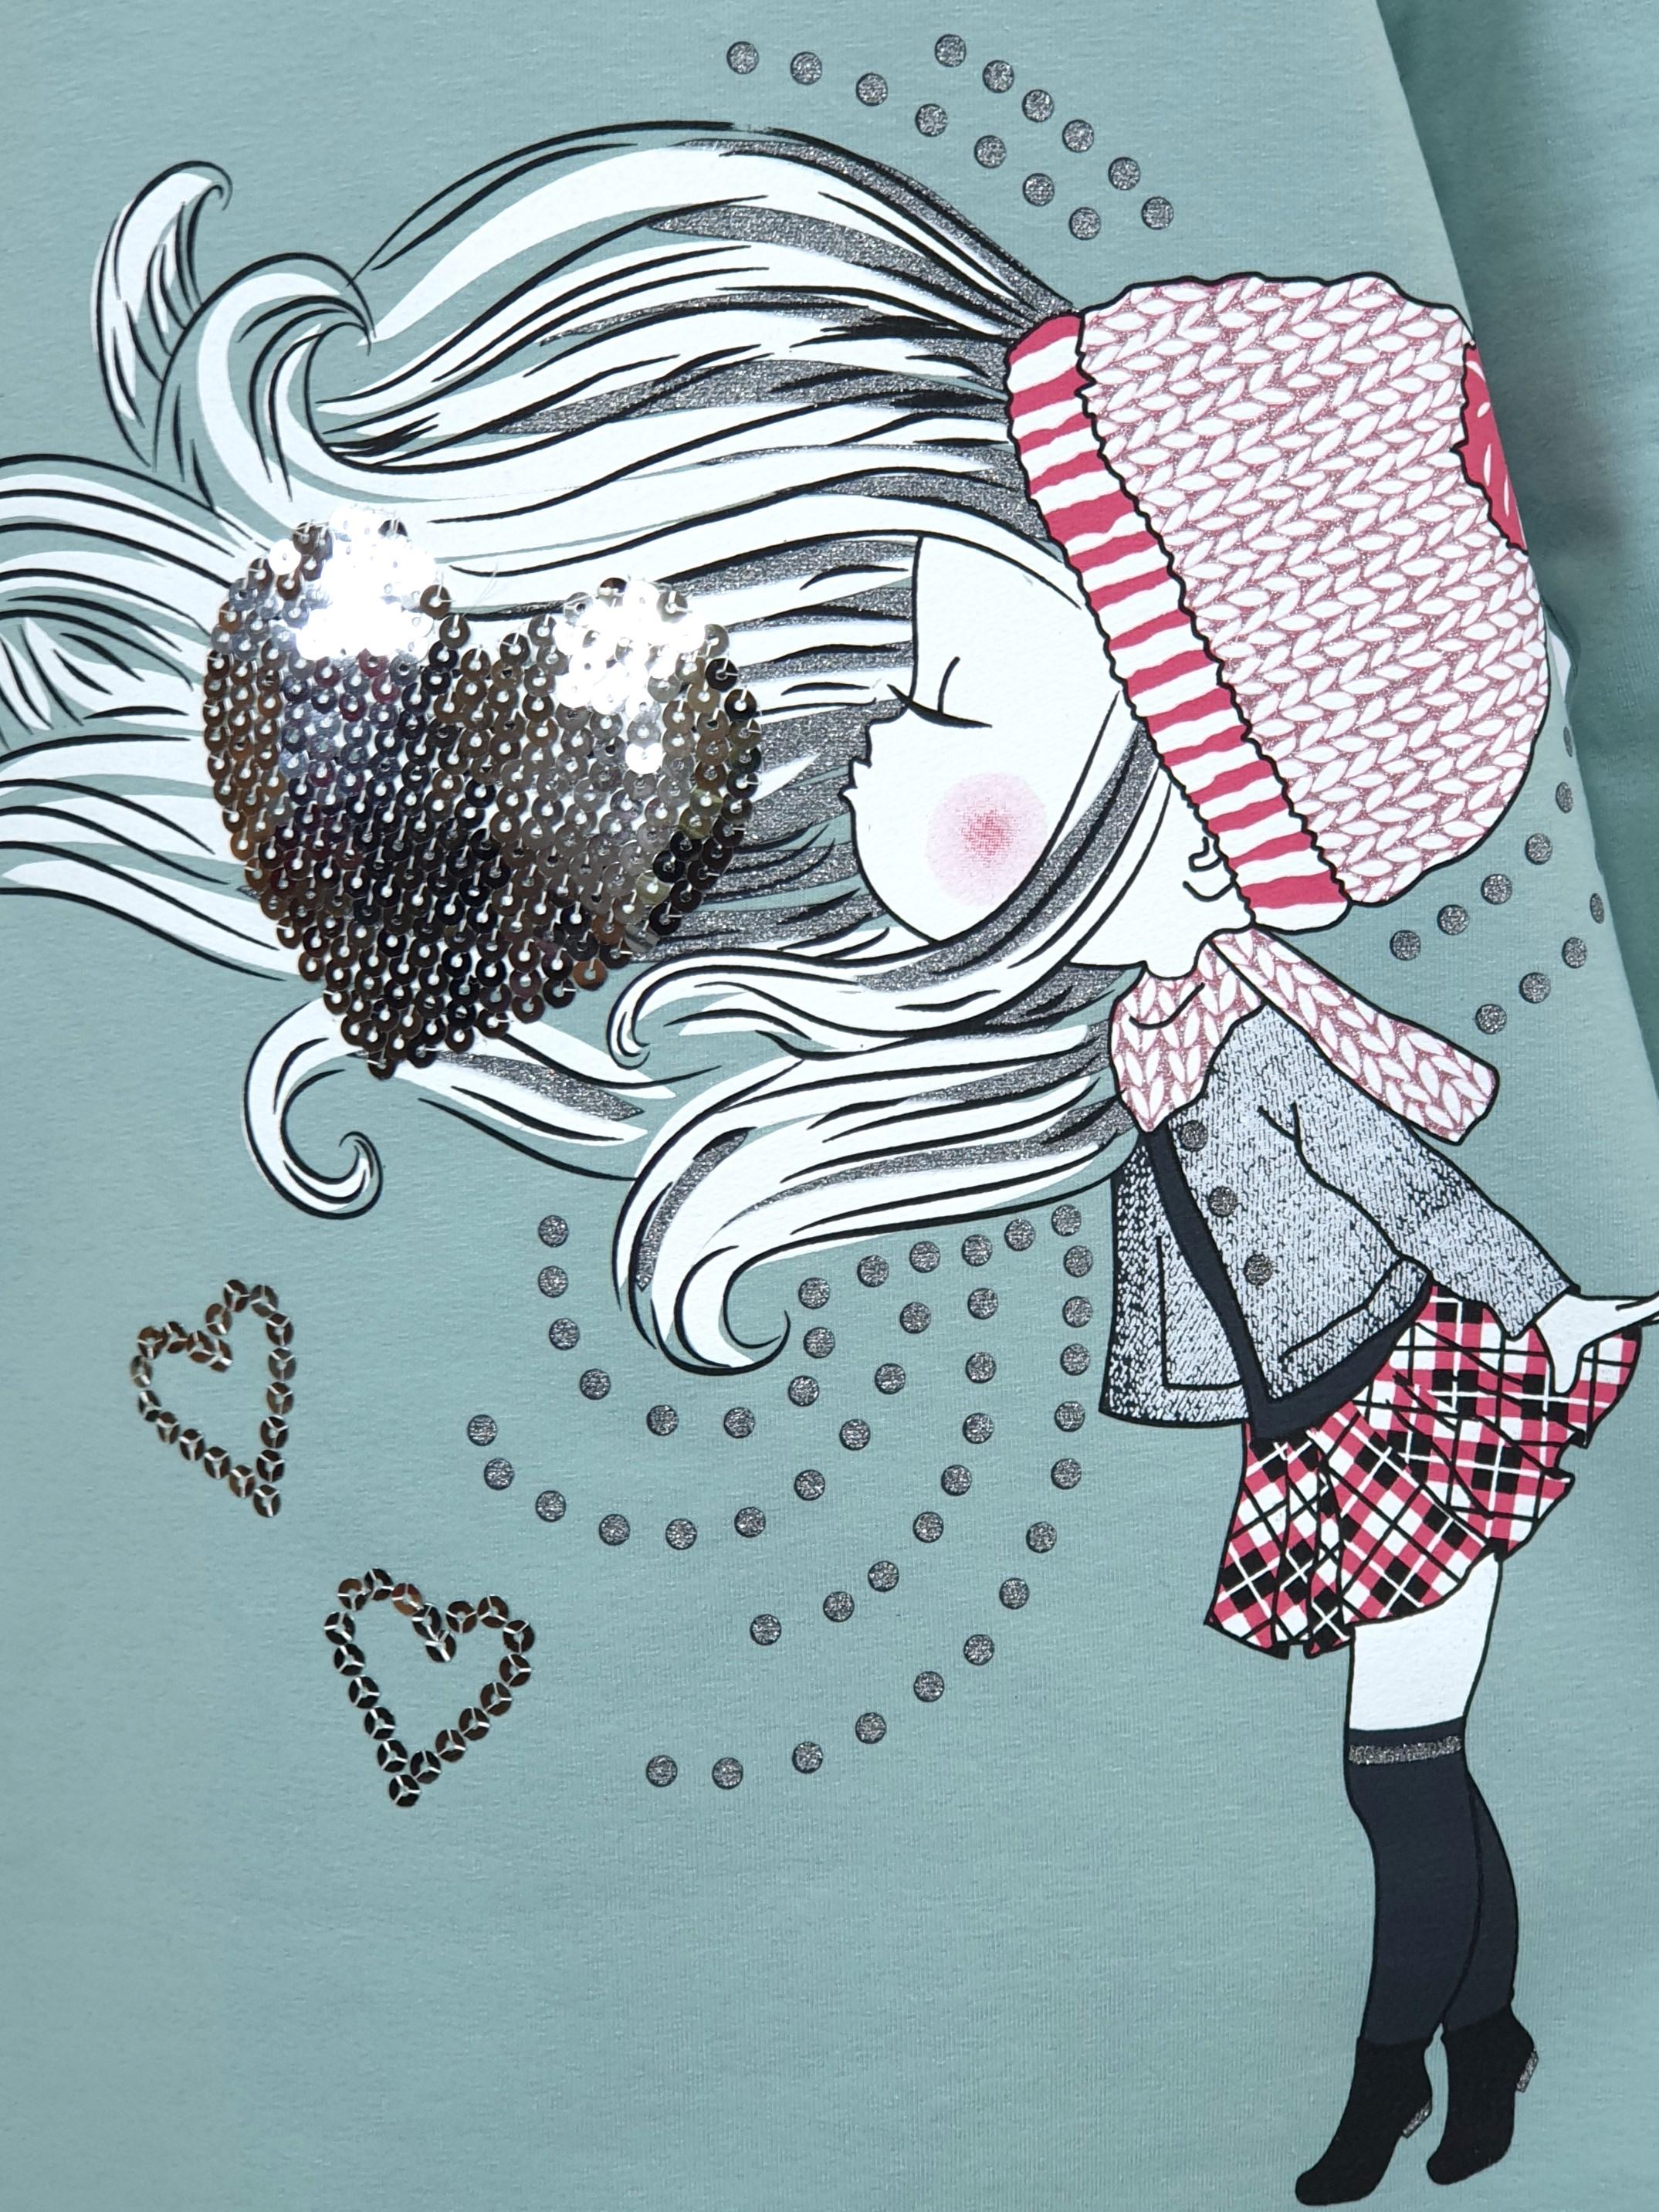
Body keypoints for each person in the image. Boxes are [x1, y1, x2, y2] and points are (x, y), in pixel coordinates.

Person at [2, 130, 1651, 2203]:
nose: (872, 738)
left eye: (941, 694)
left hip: (1395, 1475)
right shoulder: (1154, 1046)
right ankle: (1454, 2052)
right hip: (196, 2008)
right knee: (1399, 1759)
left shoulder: (1238, 1048)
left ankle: (1439, 2064)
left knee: (1403, 1763)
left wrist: (1549, 1309)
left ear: (1197, 816)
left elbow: (1412, 1193)